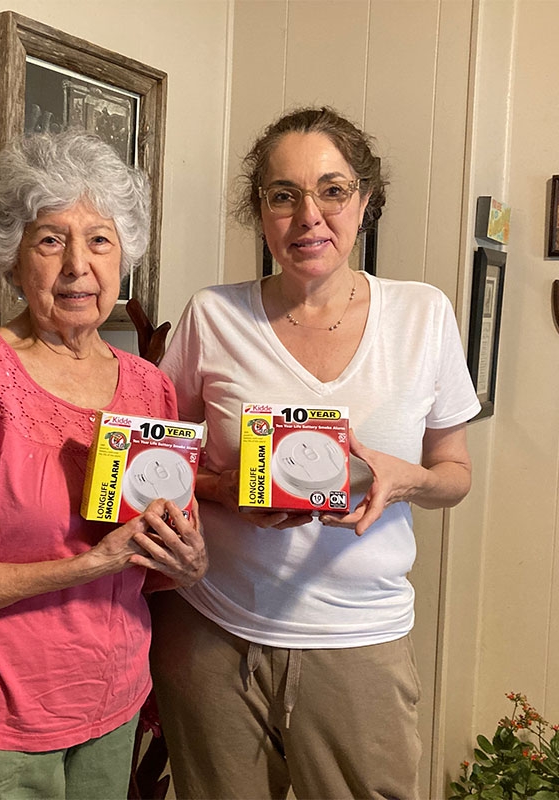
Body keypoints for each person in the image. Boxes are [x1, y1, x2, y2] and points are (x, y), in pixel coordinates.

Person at [149, 107, 480, 800]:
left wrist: (407, 479)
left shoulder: (423, 315)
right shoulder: (212, 316)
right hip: (214, 635)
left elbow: (455, 475)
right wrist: (224, 488)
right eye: (283, 195)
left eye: (332, 190)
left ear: (365, 201)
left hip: (361, 641)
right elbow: (165, 461)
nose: (309, 216)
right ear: (260, 211)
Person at [0, 129, 207, 800]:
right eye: (50, 239)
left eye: (99, 239)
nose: (77, 267)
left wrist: (187, 562)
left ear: (124, 258)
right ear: (13, 257)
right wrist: (87, 565)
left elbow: (152, 566)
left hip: (110, 703)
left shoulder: (151, 388)